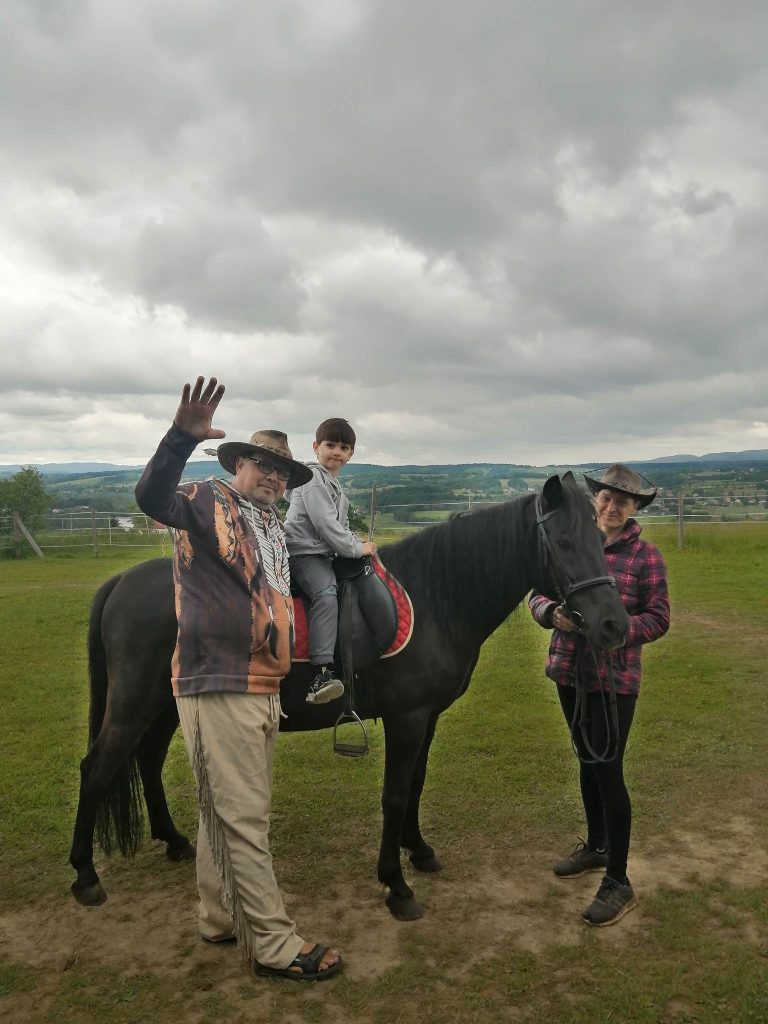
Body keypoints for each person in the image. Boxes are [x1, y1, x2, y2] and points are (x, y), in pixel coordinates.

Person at [134, 376, 342, 981]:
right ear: (238, 464)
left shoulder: (270, 524)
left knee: (219, 810)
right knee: (246, 816)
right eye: (263, 465)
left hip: (259, 686)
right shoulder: (205, 499)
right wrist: (179, 438)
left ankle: (219, 916)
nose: (275, 478)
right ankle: (274, 944)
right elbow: (150, 496)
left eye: (284, 473)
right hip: (218, 680)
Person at [529, 464, 670, 927]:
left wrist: (619, 631)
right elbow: (537, 593)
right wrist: (553, 615)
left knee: (608, 770)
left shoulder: (646, 557)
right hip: (569, 671)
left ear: (634, 510)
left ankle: (618, 880)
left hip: (615, 679)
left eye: (622, 502)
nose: (612, 508)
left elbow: (658, 617)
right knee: (586, 760)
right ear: (596, 500)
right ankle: (597, 845)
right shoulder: (576, 541)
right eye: (606, 499)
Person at [284, 417, 377, 703]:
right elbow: (325, 525)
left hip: (323, 552)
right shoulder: (312, 479)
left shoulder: (336, 490)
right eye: (330, 445)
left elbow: (341, 527)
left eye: (344, 447)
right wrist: (355, 548)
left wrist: (355, 541)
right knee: (325, 593)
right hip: (304, 553)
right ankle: (321, 672)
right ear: (315, 447)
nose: (336, 452)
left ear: (350, 455)